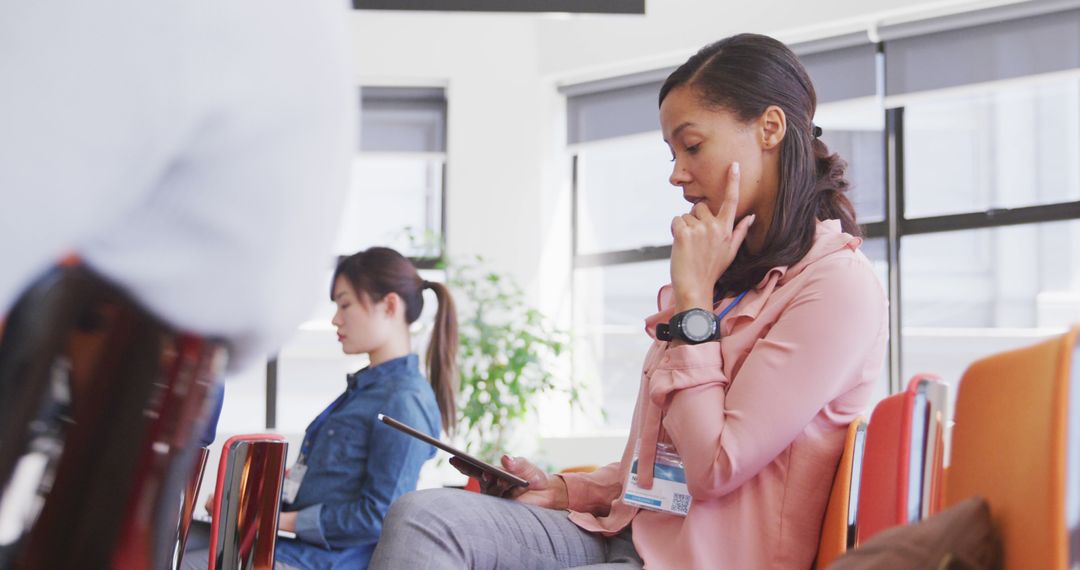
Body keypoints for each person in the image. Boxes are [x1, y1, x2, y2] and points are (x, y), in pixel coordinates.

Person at [368, 33, 888, 569]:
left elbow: (713, 468)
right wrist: (567, 491)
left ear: (770, 129)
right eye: (673, 153)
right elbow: (667, 463)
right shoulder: (730, 283)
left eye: (693, 146)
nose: (676, 173)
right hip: (630, 536)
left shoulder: (836, 287)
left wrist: (693, 306)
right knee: (423, 518)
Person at [186, 247, 459, 570]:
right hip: (293, 549)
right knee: (174, 543)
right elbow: (324, 485)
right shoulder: (364, 390)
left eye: (345, 304)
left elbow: (379, 515)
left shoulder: (404, 399)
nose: (335, 319)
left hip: (321, 562)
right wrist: (248, 507)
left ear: (388, 306)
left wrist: (272, 521)